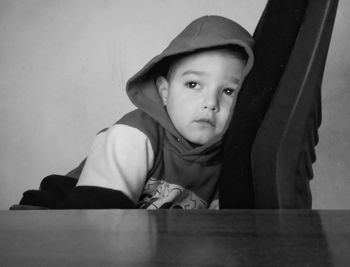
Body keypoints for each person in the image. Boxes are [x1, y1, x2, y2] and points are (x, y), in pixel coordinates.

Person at [18, 15, 254, 210]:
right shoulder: (133, 134)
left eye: (229, 91)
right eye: (193, 85)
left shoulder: (228, 161)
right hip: (54, 215)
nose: (210, 103)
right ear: (164, 91)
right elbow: (99, 216)